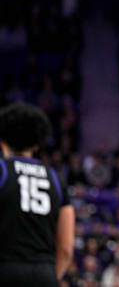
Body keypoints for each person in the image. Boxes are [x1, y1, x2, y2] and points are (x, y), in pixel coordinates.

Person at [0, 102, 75, 286]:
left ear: (2, 142)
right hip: (44, 273)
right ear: (36, 145)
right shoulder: (56, 179)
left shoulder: (2, 170)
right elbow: (66, 249)